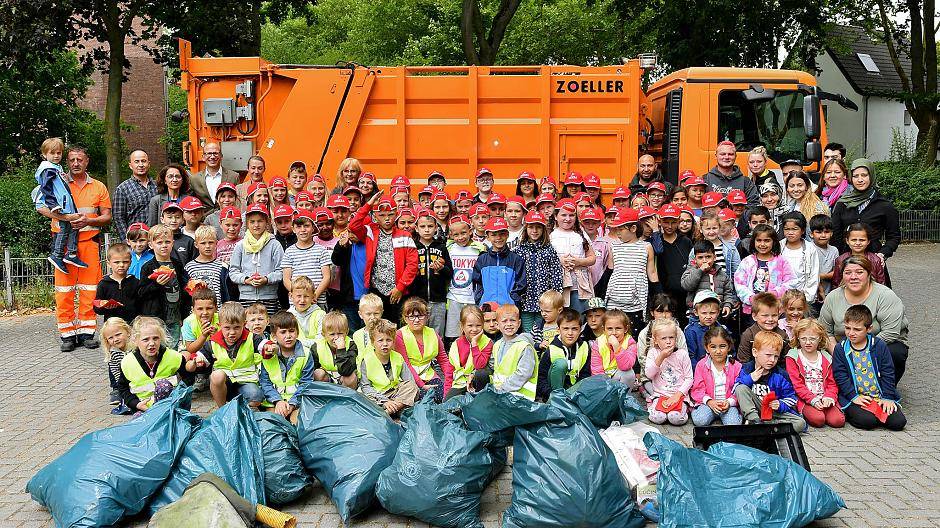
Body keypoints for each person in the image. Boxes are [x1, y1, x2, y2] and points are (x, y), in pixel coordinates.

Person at [36, 146, 112, 351]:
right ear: (67, 162)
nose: (76, 163)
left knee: (90, 291)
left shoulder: (98, 186)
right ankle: (67, 335)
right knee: (64, 291)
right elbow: (40, 206)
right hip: (61, 247)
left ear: (87, 161)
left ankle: (87, 333)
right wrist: (65, 218)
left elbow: (107, 217)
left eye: (80, 159)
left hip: (88, 243)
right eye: (71, 160)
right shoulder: (56, 180)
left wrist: (89, 220)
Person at [819, 256, 909, 381]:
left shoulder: (885, 296)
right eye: (848, 273)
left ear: (869, 274)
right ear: (842, 275)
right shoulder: (833, 297)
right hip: (842, 347)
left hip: (880, 343)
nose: (853, 277)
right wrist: (839, 354)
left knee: (895, 352)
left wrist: (860, 353)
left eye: (859, 272)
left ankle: (885, 388)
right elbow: (825, 331)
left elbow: (890, 333)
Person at [832, 305, 906, 431]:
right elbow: (840, 375)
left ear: (869, 329)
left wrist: (887, 397)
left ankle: (880, 410)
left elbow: (888, 372)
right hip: (857, 396)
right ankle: (854, 413)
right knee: (868, 422)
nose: (851, 333)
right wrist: (853, 396)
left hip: (879, 395)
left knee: (898, 422)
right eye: (847, 328)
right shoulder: (841, 348)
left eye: (857, 329)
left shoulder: (879, 345)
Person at [349, 192, 419, 324]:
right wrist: (369, 205)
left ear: (396, 214)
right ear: (375, 216)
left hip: (398, 292)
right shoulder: (370, 231)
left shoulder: (405, 236)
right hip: (376, 290)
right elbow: (353, 225)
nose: (387, 219)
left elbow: (412, 265)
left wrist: (400, 287)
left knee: (397, 327)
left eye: (391, 215)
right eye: (382, 215)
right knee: (376, 326)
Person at [830, 159, 901, 275]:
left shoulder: (884, 205)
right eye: (855, 176)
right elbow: (835, 235)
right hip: (846, 263)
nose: (860, 180)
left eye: (864, 175)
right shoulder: (842, 203)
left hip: (873, 262)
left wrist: (882, 254)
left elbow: (894, 236)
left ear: (871, 176)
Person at [117, 316, 197, 413]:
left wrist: (179, 395)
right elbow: (122, 388)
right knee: (142, 425)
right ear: (135, 341)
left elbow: (188, 378)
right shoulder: (127, 362)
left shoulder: (174, 357)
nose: (151, 343)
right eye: (146, 339)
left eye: (155, 338)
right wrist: (136, 404)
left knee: (163, 385)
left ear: (161, 338)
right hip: (143, 408)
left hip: (171, 407)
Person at [198, 301, 265, 408]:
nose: (232, 332)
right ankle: (222, 409)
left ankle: (237, 408)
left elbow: (264, 345)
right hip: (224, 384)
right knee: (216, 376)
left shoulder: (252, 338)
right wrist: (196, 362)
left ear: (244, 324)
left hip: (246, 381)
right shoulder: (212, 342)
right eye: (227, 328)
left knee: (256, 398)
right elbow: (199, 357)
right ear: (220, 326)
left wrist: (270, 347)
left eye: (237, 327)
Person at [733, 331, 806, 430]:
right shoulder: (747, 369)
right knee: (741, 387)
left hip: (774, 412)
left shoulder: (781, 375)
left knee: (800, 423)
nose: (772, 360)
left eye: (776, 356)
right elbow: (735, 390)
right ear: (755, 352)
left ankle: (769, 427)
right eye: (768, 355)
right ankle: (754, 421)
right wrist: (750, 379)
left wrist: (780, 404)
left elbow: (792, 398)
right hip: (756, 409)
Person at [606, 208, 659, 334]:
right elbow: (609, 272)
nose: (617, 232)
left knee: (634, 338)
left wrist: (658, 295)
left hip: (636, 304)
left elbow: (652, 273)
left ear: (633, 228)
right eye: (616, 229)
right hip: (614, 303)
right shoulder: (614, 246)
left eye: (621, 229)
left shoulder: (646, 247)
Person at [34, 138, 83, 272]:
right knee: (64, 228)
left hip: (65, 203)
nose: (56, 156)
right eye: (52, 153)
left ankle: (71, 253)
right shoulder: (48, 169)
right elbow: (46, 188)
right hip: (59, 205)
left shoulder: (56, 168)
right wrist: (53, 205)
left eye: (59, 153)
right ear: (45, 154)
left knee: (72, 226)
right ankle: (57, 255)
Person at [258, 310, 316, 423]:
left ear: (297, 333)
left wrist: (293, 403)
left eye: (292, 331)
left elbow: (306, 383)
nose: (288, 336)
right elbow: (265, 383)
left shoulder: (306, 353)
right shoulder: (267, 354)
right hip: (273, 401)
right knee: (273, 424)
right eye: (283, 332)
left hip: (297, 401)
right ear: (274, 337)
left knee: (298, 424)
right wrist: (278, 401)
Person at [785, 318, 845, 428]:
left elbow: (832, 383)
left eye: (812, 339)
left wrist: (829, 397)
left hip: (825, 397)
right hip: (806, 399)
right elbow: (797, 385)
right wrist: (812, 400)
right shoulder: (793, 357)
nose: (808, 342)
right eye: (803, 338)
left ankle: (828, 408)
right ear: (798, 338)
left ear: (820, 339)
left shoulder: (827, 358)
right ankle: (805, 412)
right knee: (819, 420)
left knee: (838, 421)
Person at [138, 224, 191, 348]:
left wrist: (184, 314)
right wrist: (156, 284)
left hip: (175, 316)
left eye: (167, 242)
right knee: (157, 347)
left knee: (173, 347)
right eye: (159, 242)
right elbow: (141, 292)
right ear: (151, 245)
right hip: (156, 317)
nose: (164, 245)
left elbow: (184, 288)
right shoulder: (148, 267)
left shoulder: (177, 264)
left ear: (173, 243)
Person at [513, 211, 564, 333]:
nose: (534, 231)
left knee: (547, 331)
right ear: (526, 229)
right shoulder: (518, 251)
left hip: (546, 303)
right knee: (528, 333)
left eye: (538, 227)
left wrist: (556, 297)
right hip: (526, 301)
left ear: (543, 229)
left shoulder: (549, 250)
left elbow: (556, 274)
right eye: (531, 227)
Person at [229, 203, 284, 315]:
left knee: (268, 328)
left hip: (269, 297)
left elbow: (281, 271)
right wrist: (245, 279)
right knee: (249, 328)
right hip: (246, 297)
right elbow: (233, 271)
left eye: (260, 221)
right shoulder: (240, 245)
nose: (256, 225)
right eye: (252, 222)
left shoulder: (275, 245)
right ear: (247, 224)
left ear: (267, 222)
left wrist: (266, 279)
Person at [733, 224, 797, 316]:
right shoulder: (747, 261)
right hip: (752, 310)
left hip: (776, 310)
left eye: (767, 241)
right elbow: (739, 284)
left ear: (774, 242)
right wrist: (751, 298)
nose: (762, 244)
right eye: (759, 240)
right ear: (753, 241)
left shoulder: (781, 261)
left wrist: (775, 293)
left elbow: (791, 282)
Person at [396, 297, 452, 402]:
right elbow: (406, 365)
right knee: (422, 400)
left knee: (444, 397)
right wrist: (422, 385)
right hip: (408, 378)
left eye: (420, 316)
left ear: (427, 316)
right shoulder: (400, 335)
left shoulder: (433, 333)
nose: (416, 320)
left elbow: (443, 359)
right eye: (411, 316)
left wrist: (450, 379)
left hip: (429, 375)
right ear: (405, 318)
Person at [359, 319, 419, 416]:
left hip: (395, 394)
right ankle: (397, 409)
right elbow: (365, 387)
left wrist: (394, 401)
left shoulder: (398, 357)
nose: (385, 344)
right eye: (380, 340)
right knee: (365, 398)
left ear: (393, 341)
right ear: (372, 342)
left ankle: (388, 412)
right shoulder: (366, 360)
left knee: (412, 387)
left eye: (389, 340)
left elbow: (409, 380)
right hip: (378, 396)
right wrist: (385, 401)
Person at [650, 204, 693, 325]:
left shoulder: (685, 241)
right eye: (665, 222)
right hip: (663, 294)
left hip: (684, 295)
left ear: (678, 221)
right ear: (660, 221)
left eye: (673, 222)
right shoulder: (656, 241)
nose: (669, 226)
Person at [690, 326, 743, 426]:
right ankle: (694, 410)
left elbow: (738, 389)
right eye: (713, 347)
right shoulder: (702, 365)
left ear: (729, 347)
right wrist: (709, 401)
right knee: (700, 421)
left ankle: (739, 415)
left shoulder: (736, 366)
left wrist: (729, 402)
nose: (718, 351)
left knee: (733, 424)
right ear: (706, 348)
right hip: (708, 404)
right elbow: (697, 389)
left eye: (722, 346)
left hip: (728, 405)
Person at [645, 318, 693, 425]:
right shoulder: (653, 353)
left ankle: (685, 410)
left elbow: (689, 378)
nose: (668, 341)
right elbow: (649, 374)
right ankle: (653, 406)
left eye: (671, 337)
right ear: (655, 339)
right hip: (660, 395)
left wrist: (678, 395)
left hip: (679, 395)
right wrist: (661, 357)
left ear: (676, 338)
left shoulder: (682, 354)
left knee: (674, 418)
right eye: (663, 338)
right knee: (658, 418)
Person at [412, 212, 453, 337]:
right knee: (417, 333)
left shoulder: (441, 247)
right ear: (416, 228)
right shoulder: (412, 246)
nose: (426, 230)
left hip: (438, 300)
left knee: (437, 335)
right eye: (423, 226)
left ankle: (437, 356)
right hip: (417, 300)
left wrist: (441, 268)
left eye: (430, 226)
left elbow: (450, 273)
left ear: (436, 227)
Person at [550, 199, 596, 312]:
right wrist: (559, 261)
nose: (567, 219)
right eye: (563, 215)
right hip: (558, 285)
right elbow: (544, 259)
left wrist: (579, 262)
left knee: (579, 316)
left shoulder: (580, 234)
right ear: (556, 216)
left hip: (579, 286)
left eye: (571, 215)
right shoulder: (550, 235)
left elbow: (592, 258)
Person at [536, 308, 591, 400]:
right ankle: (558, 400)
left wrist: (575, 394)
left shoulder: (585, 347)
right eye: (565, 328)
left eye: (574, 329)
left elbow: (586, 374)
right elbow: (541, 377)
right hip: (553, 391)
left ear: (580, 330)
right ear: (558, 330)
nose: (570, 333)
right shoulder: (551, 347)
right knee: (561, 364)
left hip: (575, 391)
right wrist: (550, 394)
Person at [281, 209, 331, 308]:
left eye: (306, 226)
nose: (303, 230)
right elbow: (286, 279)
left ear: (313, 228)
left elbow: (327, 277)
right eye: (298, 227)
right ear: (293, 229)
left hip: (317, 301)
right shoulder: (289, 252)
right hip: (297, 303)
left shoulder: (321, 250)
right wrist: (298, 296)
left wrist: (314, 295)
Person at [472, 217, 526, 306]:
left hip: (509, 309)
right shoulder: (482, 259)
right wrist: (480, 299)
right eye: (493, 234)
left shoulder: (516, 259)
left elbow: (521, 284)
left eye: (502, 234)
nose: (498, 238)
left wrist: (513, 300)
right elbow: (477, 282)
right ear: (488, 237)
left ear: (507, 235)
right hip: (486, 307)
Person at [490, 304, 538, 400]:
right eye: (504, 321)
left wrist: (502, 389)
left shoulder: (524, 346)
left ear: (519, 323)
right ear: (497, 325)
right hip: (501, 394)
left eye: (512, 320)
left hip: (520, 398)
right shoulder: (497, 345)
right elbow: (492, 365)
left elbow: (524, 373)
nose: (509, 324)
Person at [445, 305, 494, 400]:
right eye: (470, 326)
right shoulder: (456, 344)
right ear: (462, 326)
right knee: (448, 405)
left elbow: (480, 365)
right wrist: (447, 392)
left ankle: (481, 401)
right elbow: (449, 371)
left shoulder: (487, 342)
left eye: (478, 325)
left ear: (483, 325)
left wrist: (474, 344)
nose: (474, 329)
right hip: (460, 382)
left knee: (481, 374)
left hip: (477, 381)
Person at [681, 241, 737, 317]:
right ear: (695, 259)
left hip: (717, 314)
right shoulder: (691, 271)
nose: (704, 260)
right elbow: (687, 286)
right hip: (697, 315)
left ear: (714, 257)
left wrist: (727, 305)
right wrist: (700, 271)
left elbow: (728, 292)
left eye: (708, 257)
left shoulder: (722, 274)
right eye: (700, 257)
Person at [112, 149, 156, 240]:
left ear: (149, 164)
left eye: (143, 161)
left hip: (157, 238)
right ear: (130, 165)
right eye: (137, 162)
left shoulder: (158, 186)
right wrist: (127, 240)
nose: (141, 165)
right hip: (136, 240)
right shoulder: (123, 189)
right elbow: (118, 218)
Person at [737, 292, 788, 366]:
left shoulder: (782, 336)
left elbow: (785, 362)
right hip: (753, 372)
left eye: (774, 315)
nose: (770, 319)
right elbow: (743, 361)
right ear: (754, 316)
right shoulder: (749, 335)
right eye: (765, 315)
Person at [93, 242, 139, 324]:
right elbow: (97, 308)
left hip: (133, 324)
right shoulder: (103, 284)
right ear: (109, 264)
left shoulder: (135, 282)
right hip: (112, 325)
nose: (121, 265)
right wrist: (105, 306)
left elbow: (141, 304)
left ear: (130, 263)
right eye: (116, 262)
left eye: (125, 262)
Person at [779, 212, 820, 304]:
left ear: (803, 230)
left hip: (803, 297)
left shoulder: (810, 249)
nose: (790, 233)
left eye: (794, 229)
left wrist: (807, 298)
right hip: (782, 298)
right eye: (787, 229)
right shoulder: (779, 246)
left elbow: (814, 274)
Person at [591, 308, 638, 387]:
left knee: (629, 374)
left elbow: (626, 366)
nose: (614, 333)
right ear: (604, 329)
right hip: (603, 380)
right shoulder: (598, 343)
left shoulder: (630, 343)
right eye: (609, 329)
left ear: (625, 329)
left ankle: (623, 398)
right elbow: (596, 370)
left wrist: (617, 347)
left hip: (619, 376)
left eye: (618, 328)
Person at [312, 311, 359, 388]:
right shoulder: (316, 347)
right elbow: (312, 370)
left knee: (351, 378)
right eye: (332, 334)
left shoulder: (351, 345)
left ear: (346, 332)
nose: (336, 337)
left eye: (340, 333)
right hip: (328, 378)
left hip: (344, 377)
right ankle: (326, 397)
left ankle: (346, 398)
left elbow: (346, 371)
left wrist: (341, 350)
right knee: (318, 373)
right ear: (323, 334)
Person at [683, 290, 731, 366]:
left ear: (718, 312)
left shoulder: (723, 329)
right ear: (696, 312)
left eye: (712, 313)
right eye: (704, 313)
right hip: (700, 371)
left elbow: (730, 351)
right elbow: (690, 356)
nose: (708, 317)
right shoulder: (691, 331)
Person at [705, 141, 759, 206]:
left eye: (730, 154)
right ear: (716, 156)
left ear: (735, 156)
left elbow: (753, 205)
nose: (726, 157)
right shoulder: (705, 180)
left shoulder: (746, 182)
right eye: (722, 154)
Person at [184, 225, 227, 306]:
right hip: (196, 312)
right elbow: (187, 292)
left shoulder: (222, 266)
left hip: (218, 312)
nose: (207, 246)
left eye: (211, 242)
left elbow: (226, 291)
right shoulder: (189, 267)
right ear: (196, 245)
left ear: (216, 243)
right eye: (203, 243)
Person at [189, 141, 240, 206]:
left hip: (226, 215)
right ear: (203, 157)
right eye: (209, 153)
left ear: (221, 156)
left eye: (215, 153)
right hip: (204, 215)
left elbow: (238, 201)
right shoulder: (194, 179)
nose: (212, 157)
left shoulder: (234, 176)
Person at [101, 317, 134, 411]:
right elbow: (116, 374)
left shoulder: (136, 347)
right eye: (111, 338)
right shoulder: (112, 353)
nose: (115, 339)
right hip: (127, 381)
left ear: (128, 332)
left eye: (118, 335)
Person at [285, 275, 326, 350]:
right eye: (298, 296)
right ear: (291, 296)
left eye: (306, 296)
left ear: (313, 297)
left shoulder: (321, 315)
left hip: (316, 354)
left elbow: (321, 341)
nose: (302, 300)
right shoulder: (288, 315)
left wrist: (298, 343)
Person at [810, 214, 839, 307]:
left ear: (831, 233)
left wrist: (819, 276)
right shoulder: (809, 249)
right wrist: (820, 289)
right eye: (818, 232)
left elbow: (836, 272)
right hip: (812, 294)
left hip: (829, 293)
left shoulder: (834, 250)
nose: (823, 235)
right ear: (811, 234)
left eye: (826, 232)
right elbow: (809, 274)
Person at [352, 293, 384, 364]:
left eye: (376, 313)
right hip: (362, 371)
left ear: (381, 313)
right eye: (368, 314)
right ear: (360, 314)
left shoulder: (387, 333)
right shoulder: (356, 335)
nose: (372, 317)